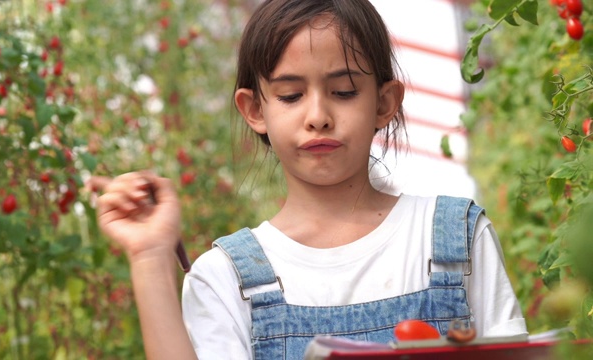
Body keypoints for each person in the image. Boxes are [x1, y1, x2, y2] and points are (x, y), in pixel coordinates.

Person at [94, 1, 528, 359]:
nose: (318, 116)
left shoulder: (457, 238)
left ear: (384, 102)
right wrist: (150, 257)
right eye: (290, 95)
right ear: (254, 110)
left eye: (343, 92)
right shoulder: (226, 278)